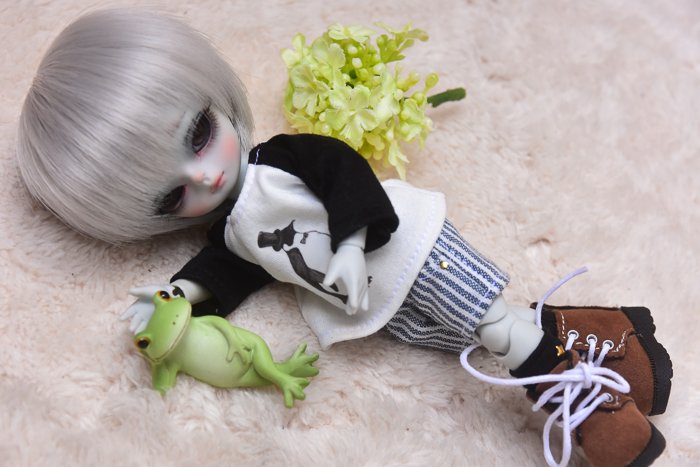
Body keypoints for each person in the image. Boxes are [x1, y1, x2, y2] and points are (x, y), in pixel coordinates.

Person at [16, 9, 672, 466]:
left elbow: (343, 170)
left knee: (493, 325)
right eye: (171, 194)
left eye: (198, 134)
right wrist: (177, 297)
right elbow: (229, 267)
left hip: (411, 248)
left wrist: (354, 245)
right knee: (469, 338)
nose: (207, 175)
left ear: (212, 93)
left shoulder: (281, 160)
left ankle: (590, 410)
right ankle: (620, 343)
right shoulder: (231, 229)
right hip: (376, 307)